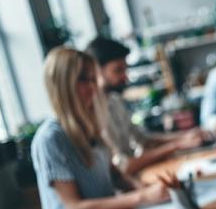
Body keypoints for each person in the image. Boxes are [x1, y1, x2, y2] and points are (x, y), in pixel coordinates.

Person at [32, 47, 170, 209]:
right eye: (83, 79)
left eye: (91, 77)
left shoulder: (89, 124)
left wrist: (144, 187)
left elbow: (115, 175)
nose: (94, 86)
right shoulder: (50, 139)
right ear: (63, 85)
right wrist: (142, 197)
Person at [85, 37, 204, 175]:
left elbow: (143, 139)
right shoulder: (92, 113)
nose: (125, 77)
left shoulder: (115, 100)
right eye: (117, 70)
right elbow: (123, 167)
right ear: (95, 71)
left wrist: (185, 136)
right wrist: (176, 145)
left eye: (125, 69)